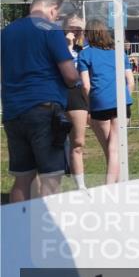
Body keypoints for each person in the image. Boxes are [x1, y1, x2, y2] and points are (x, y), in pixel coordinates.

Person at [1, 0, 80, 200]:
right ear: (53, 9)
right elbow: (70, 75)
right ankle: (47, 230)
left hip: (13, 111)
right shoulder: (50, 30)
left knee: (22, 178)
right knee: (51, 176)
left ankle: (19, 229)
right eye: (58, 14)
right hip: (45, 110)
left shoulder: (6, 32)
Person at [79, 19, 135, 185]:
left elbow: (85, 86)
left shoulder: (85, 54)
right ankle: (115, 186)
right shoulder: (119, 53)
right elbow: (130, 81)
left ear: (88, 34)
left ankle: (110, 187)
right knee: (115, 149)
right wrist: (124, 97)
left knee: (109, 150)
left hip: (99, 103)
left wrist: (89, 105)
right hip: (121, 103)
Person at [63, 13, 89, 190]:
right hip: (56, 94)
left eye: (79, 29)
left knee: (78, 141)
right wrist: (67, 46)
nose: (75, 31)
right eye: (72, 27)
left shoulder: (84, 50)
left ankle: (80, 186)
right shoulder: (55, 47)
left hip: (77, 95)